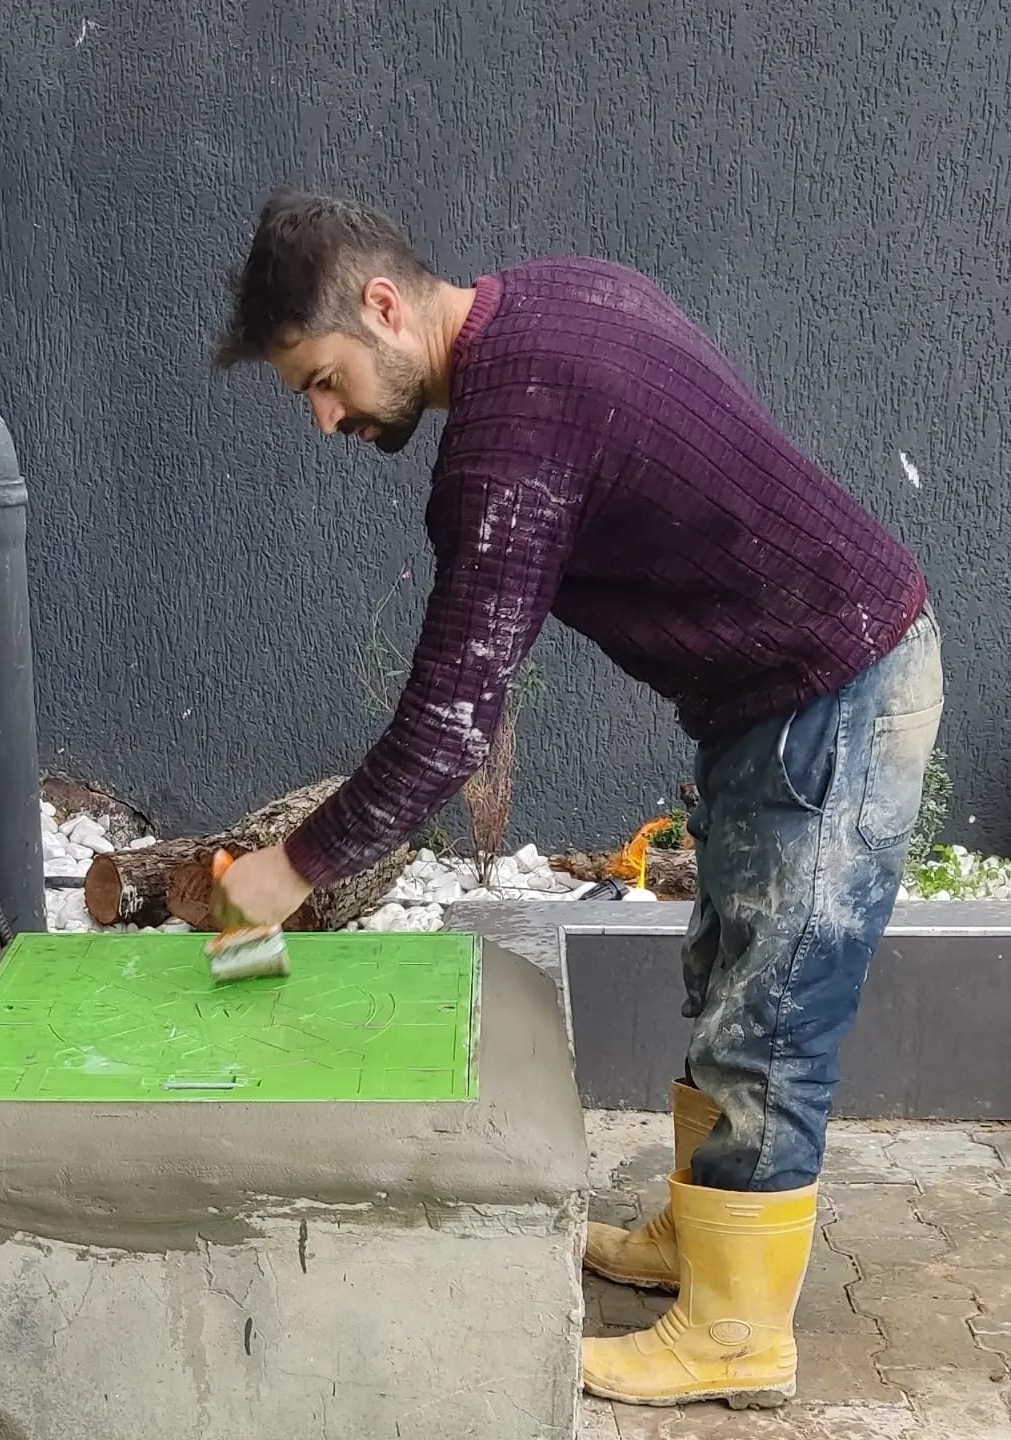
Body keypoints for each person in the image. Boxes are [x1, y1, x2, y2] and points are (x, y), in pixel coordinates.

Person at [212, 191, 943, 1410]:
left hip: (836, 689)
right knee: (728, 979)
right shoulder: (555, 299)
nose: (327, 419)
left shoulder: (508, 440)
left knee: (769, 1023)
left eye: (321, 380)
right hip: (780, 696)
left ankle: (738, 1338)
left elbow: (450, 727)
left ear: (383, 308)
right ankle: (702, 1239)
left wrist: (286, 871)